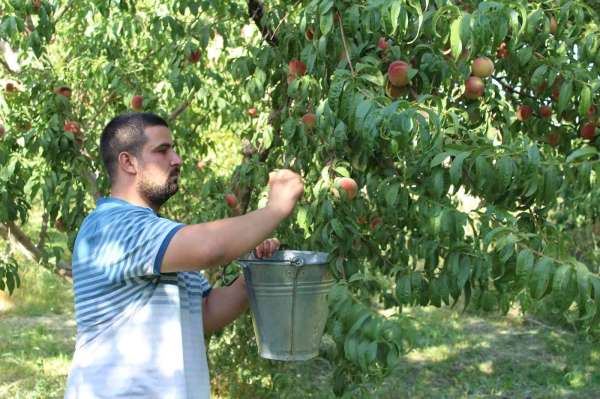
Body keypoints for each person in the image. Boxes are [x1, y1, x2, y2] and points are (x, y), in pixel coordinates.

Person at [64, 112, 304, 398]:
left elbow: (205, 312)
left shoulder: (159, 238)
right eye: (162, 151)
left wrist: (253, 273)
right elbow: (210, 249)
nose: (177, 159)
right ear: (128, 162)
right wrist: (275, 209)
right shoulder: (112, 225)